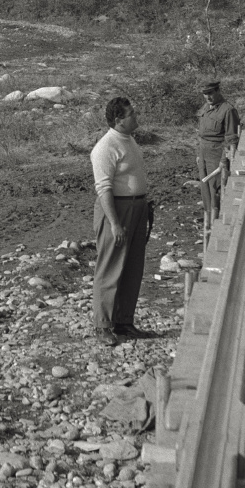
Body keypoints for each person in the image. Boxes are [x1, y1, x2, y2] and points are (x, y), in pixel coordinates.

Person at [91, 97, 153, 346]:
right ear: (119, 120)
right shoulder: (105, 148)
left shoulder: (128, 140)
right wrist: (114, 223)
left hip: (137, 209)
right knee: (110, 267)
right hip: (117, 210)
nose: (136, 117)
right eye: (132, 114)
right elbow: (103, 189)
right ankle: (104, 325)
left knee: (132, 268)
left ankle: (124, 321)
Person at [196, 81, 239, 222]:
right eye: (205, 94)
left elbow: (231, 138)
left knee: (216, 188)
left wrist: (223, 160)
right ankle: (208, 217)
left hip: (216, 153)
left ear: (218, 91)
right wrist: (199, 154)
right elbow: (202, 133)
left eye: (210, 93)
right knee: (205, 187)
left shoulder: (228, 110)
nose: (208, 97)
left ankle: (218, 220)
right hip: (203, 152)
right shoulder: (206, 107)